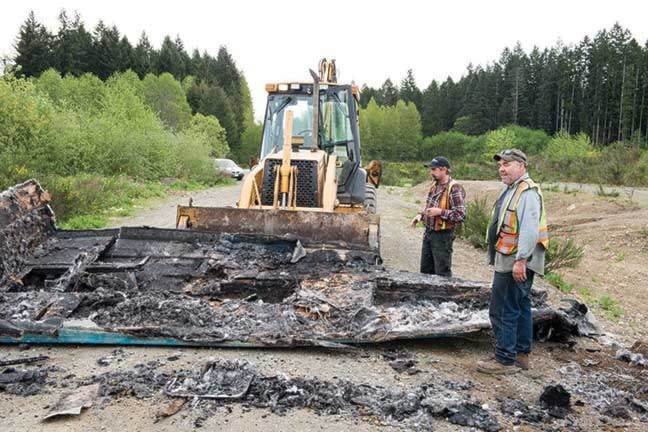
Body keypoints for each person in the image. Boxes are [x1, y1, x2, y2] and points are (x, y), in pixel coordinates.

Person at [477, 149, 548, 375]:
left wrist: (520, 261)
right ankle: (520, 354)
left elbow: (528, 230)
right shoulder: (513, 189)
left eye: (507, 164)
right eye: (500, 165)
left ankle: (504, 359)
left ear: (521, 166)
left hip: (515, 260)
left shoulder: (526, 193)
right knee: (520, 306)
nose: (502, 169)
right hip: (512, 257)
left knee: (503, 308)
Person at [410, 156, 466, 277]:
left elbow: (460, 215)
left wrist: (440, 212)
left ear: (444, 169)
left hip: (443, 236)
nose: (431, 172)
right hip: (429, 233)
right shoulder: (434, 186)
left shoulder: (454, 188)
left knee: (442, 275)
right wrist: (421, 215)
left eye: (434, 169)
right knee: (425, 272)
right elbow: (430, 208)